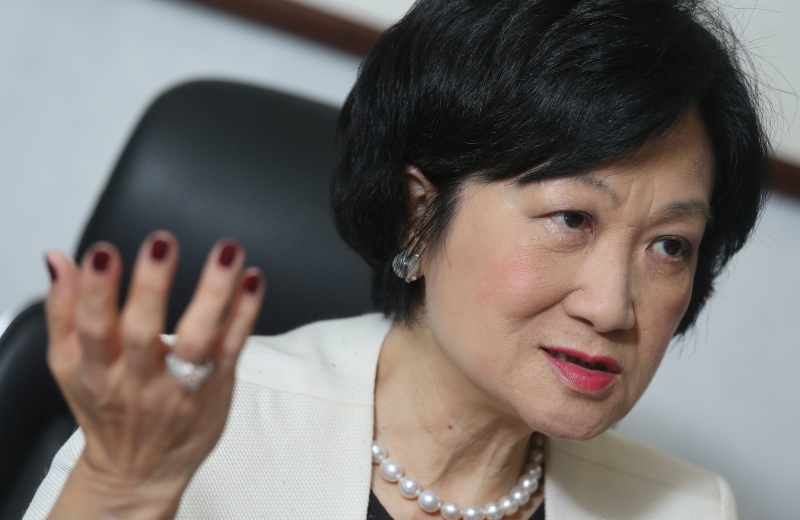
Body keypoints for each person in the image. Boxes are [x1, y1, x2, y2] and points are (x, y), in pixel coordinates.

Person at [26, 0, 768, 518]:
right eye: (571, 218)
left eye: (670, 245)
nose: (611, 306)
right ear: (419, 216)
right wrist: (120, 492)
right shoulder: (180, 426)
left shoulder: (688, 509)